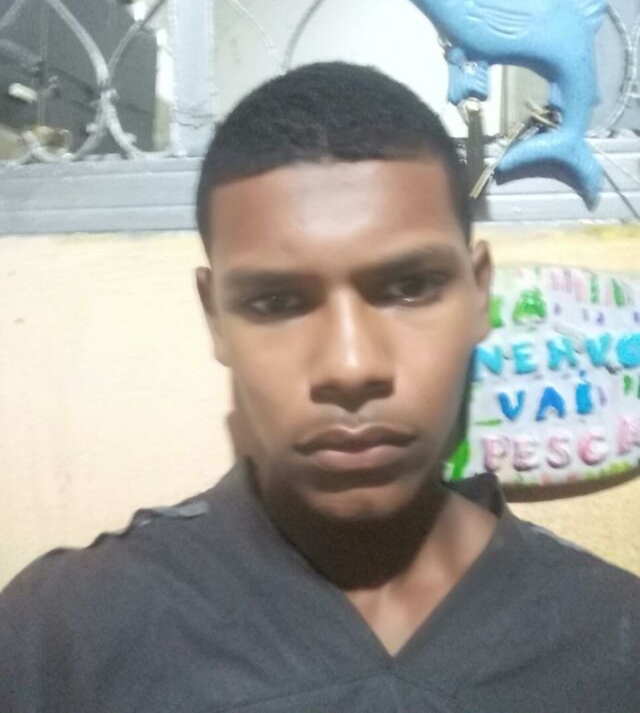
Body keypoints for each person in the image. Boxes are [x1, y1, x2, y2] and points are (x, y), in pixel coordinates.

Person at [0, 62, 638, 712]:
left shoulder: (614, 640)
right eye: (277, 301)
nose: (350, 367)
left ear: (478, 294)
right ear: (215, 317)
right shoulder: (63, 636)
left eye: (410, 287)